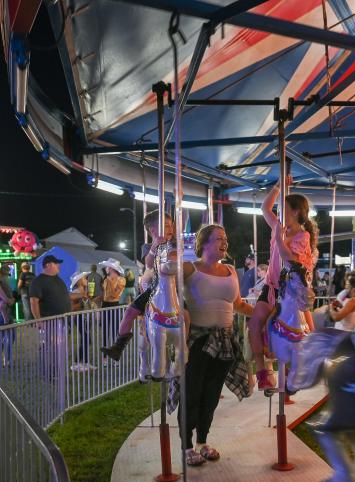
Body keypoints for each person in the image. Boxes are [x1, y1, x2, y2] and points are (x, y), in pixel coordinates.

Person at [180, 224, 254, 466]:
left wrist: (264, 314)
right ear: (204, 242)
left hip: (225, 342)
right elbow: (163, 280)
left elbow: (239, 304)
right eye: (219, 238)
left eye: (226, 239)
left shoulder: (231, 270)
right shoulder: (190, 268)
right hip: (199, 340)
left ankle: (202, 441)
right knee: (192, 392)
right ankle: (186, 446)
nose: (225, 242)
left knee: (211, 395)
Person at [248, 182, 317, 390]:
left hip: (291, 291)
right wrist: (279, 187)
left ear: (295, 212)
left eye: (283, 208)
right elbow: (264, 208)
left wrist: (279, 237)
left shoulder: (302, 236)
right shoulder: (278, 225)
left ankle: (299, 370)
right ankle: (262, 371)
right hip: (271, 287)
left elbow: (289, 260)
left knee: (307, 333)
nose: (278, 211)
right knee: (254, 324)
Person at [100, 211, 175, 360]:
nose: (171, 229)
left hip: (174, 287)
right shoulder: (147, 247)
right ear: (153, 230)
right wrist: (155, 246)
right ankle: (118, 346)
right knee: (129, 312)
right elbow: (148, 263)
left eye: (171, 225)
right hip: (156, 288)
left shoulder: (175, 244)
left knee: (187, 312)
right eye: (166, 226)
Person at [28, 255, 70, 319]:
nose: (58, 265)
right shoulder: (38, 281)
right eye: (55, 263)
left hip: (63, 320)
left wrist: (82, 294)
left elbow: (65, 295)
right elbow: (34, 302)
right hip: (49, 322)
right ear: (48, 265)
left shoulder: (58, 279)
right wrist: (38, 321)